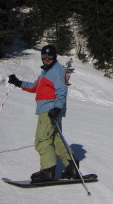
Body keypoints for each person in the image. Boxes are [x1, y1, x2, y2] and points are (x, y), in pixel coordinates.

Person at [8, 44, 80, 182]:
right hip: (52, 110)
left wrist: (57, 108)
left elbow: (62, 90)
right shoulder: (46, 72)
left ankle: (47, 171)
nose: (46, 60)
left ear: (55, 57)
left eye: (49, 57)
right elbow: (34, 87)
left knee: (42, 140)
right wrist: (18, 83)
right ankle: (72, 168)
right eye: (44, 57)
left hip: (49, 110)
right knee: (56, 140)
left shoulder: (56, 71)